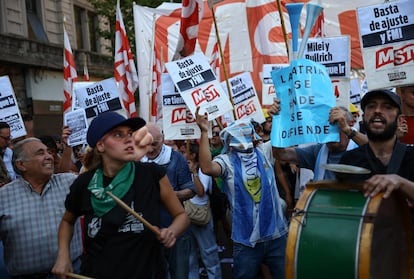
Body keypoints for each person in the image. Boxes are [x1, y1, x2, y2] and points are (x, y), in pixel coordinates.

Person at [52, 111, 189, 279]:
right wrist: (63, 255)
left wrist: (171, 232)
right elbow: (67, 221)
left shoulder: (152, 174)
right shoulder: (84, 183)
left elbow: (181, 216)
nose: (128, 139)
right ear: (101, 146)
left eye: (130, 134)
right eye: (118, 135)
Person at [196, 110, 288, 279]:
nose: (242, 137)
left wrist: (276, 115)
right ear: (228, 140)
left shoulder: (265, 151)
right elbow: (207, 168)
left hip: (277, 237)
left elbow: (281, 136)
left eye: (246, 132)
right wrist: (203, 132)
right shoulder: (226, 161)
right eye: (236, 134)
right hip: (246, 242)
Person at [0, 137, 83, 278]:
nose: (49, 156)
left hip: (72, 273)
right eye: (40, 153)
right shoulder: (3, 197)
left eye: (48, 152)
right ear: (21, 165)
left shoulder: (70, 183)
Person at [141, 123, 196, 279]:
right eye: (147, 144)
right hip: (148, 231)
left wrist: (167, 196)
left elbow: (191, 190)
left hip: (176, 229)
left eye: (155, 144)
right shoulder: (138, 162)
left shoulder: (176, 158)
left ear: (163, 139)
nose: (151, 149)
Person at [340, 89, 414, 200]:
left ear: (400, 120)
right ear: (364, 118)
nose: (377, 111)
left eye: (387, 107)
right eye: (371, 106)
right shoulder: (349, 160)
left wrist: (401, 183)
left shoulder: (412, 157)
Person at [269, 101, 367, 182]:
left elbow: (377, 151)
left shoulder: (360, 149)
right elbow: (280, 154)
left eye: (336, 124)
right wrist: (277, 123)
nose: (330, 132)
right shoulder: (317, 151)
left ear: (348, 124)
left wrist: (348, 130)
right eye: (325, 127)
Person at [186, 143, 222, 279]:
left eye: (185, 151)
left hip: (201, 217)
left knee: (209, 253)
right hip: (186, 216)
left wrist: (193, 173)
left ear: (193, 155)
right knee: (190, 256)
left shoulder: (203, 170)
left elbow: (200, 191)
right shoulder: (182, 167)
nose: (182, 154)